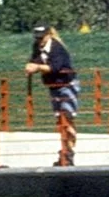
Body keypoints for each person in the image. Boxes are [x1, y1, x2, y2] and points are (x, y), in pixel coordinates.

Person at [25, 24, 79, 166]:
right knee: (60, 120)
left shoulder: (57, 48)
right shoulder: (37, 47)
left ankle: (68, 153)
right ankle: (65, 151)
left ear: (48, 35)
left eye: (42, 37)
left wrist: (36, 67)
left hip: (67, 85)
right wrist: (31, 65)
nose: (39, 40)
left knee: (67, 118)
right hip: (53, 86)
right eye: (37, 37)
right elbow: (35, 60)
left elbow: (55, 67)